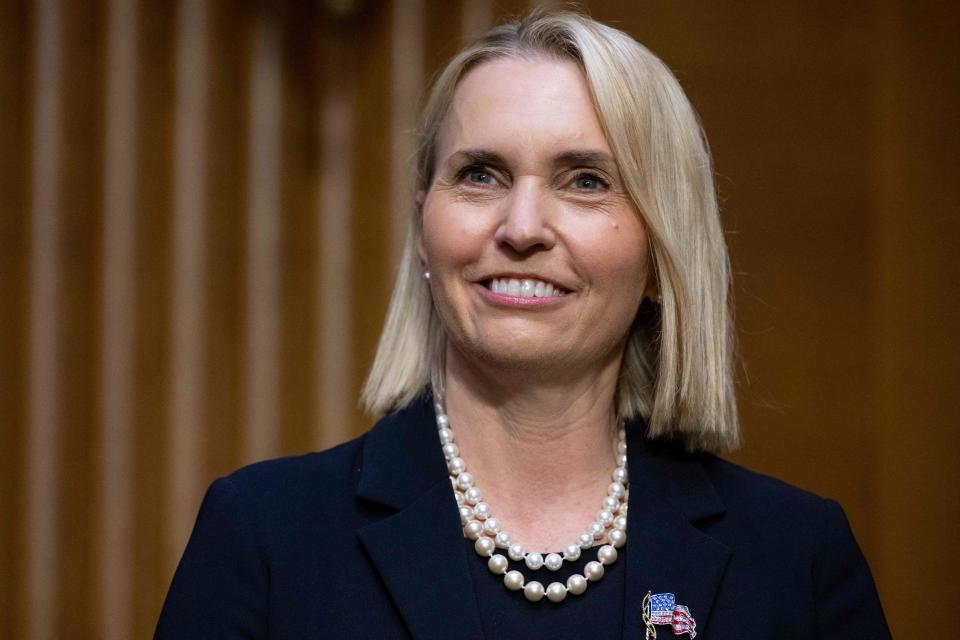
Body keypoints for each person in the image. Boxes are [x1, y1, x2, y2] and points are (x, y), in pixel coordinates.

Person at [155, 10, 890, 639]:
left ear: (665, 254)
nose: (523, 227)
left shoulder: (799, 560)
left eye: (587, 181)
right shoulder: (264, 538)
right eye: (481, 174)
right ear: (423, 230)